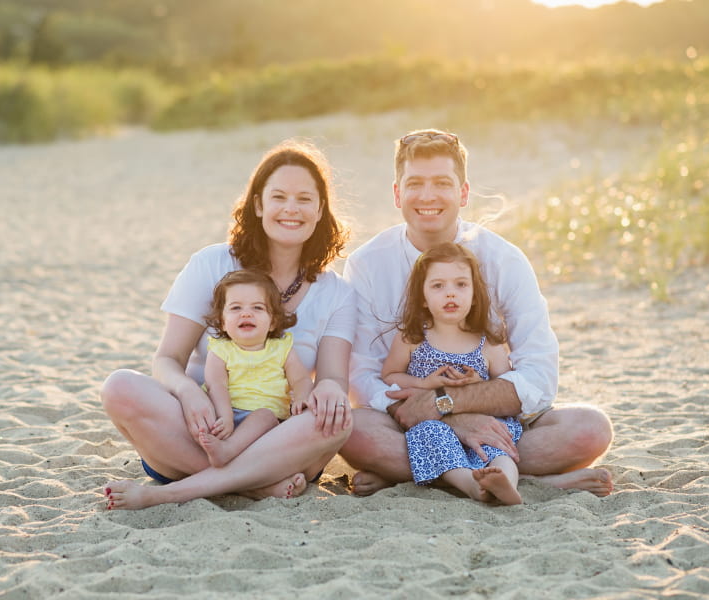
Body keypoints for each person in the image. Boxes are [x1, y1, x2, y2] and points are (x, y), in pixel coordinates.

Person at [340, 128, 614, 497]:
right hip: (412, 423)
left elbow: (539, 377)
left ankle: (420, 475)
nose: (428, 196)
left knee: (591, 429)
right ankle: (528, 481)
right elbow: (363, 377)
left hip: (496, 424)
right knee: (351, 430)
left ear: (463, 193)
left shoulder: (505, 260)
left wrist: (449, 405)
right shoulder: (368, 265)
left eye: (442, 183)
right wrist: (455, 422)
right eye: (415, 183)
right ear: (396, 193)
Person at [102, 139, 355, 510]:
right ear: (258, 205)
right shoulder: (211, 264)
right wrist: (188, 393)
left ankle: (173, 493)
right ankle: (256, 487)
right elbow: (167, 359)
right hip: (200, 430)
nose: (291, 209)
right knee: (119, 387)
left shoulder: (337, 292)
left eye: (304, 199)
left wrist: (331, 390)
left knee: (339, 420)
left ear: (320, 210)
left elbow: (333, 379)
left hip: (277, 437)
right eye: (279, 197)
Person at [382, 242, 523, 505]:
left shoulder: (488, 342)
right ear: (422, 297)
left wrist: (479, 383)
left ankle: (505, 482)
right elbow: (390, 376)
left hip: (482, 420)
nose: (451, 294)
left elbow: (505, 384)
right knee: (431, 436)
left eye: (461, 285)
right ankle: (471, 485)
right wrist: (424, 383)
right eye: (438, 286)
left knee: (498, 447)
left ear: (474, 293)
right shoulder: (411, 338)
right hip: (436, 424)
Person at [197, 269, 313, 468]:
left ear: (273, 321)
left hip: (270, 423)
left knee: (265, 416)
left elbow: (301, 379)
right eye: (235, 308)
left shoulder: (281, 348)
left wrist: (302, 396)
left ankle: (228, 452)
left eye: (258, 308)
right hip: (227, 416)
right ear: (222, 322)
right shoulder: (220, 350)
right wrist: (226, 416)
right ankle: (227, 451)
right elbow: (216, 385)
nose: (246, 313)